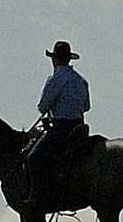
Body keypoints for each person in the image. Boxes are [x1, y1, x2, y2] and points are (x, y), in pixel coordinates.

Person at [22, 40, 90, 210]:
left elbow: (43, 106)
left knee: (34, 157)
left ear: (55, 59)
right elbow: (87, 106)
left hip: (61, 128)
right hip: (79, 128)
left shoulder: (56, 78)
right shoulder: (81, 81)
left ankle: (39, 197)